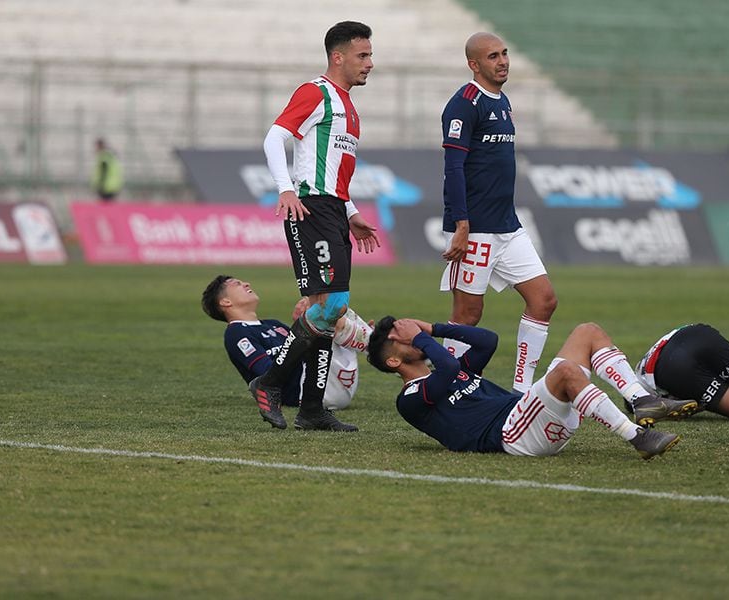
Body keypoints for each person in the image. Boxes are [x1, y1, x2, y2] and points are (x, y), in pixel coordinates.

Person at [258, 21, 380, 432]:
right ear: (338, 56)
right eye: (362, 55)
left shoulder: (348, 106)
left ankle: (311, 407)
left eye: (370, 55)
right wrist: (285, 189)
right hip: (310, 210)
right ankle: (270, 382)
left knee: (324, 311)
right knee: (331, 307)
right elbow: (274, 139)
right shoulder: (316, 93)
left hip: (332, 211)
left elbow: (331, 173)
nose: (370, 63)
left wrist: (351, 213)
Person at [367, 318, 691, 459]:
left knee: (587, 333)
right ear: (394, 362)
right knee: (564, 371)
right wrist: (422, 338)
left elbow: (488, 341)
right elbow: (450, 367)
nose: (408, 336)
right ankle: (637, 436)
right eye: (399, 339)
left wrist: (430, 328)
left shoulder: (449, 372)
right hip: (513, 435)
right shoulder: (409, 399)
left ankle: (641, 399)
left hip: (533, 418)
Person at [438, 32, 558, 395]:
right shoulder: (464, 104)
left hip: (508, 225)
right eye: (493, 56)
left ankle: (522, 390)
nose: (503, 60)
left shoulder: (503, 101)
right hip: (475, 229)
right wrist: (461, 225)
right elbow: (453, 168)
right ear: (474, 64)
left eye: (505, 53)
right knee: (467, 316)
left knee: (544, 300)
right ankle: (448, 390)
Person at [201, 275, 374, 427]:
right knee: (327, 309)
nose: (246, 283)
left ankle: (371, 342)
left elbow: (304, 345)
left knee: (330, 306)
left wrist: (304, 324)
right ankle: (377, 347)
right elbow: (270, 373)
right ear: (225, 302)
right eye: (236, 284)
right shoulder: (237, 333)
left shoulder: (272, 324)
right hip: (310, 392)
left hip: (328, 381)